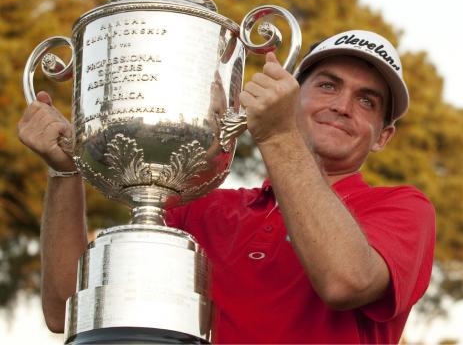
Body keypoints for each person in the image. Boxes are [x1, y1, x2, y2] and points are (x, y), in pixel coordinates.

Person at [18, 30, 435, 344]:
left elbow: (345, 280)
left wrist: (276, 136)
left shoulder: (403, 208)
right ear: (295, 95)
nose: (342, 106)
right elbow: (66, 309)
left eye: (367, 101)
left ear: (383, 137)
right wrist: (66, 173)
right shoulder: (204, 207)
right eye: (327, 85)